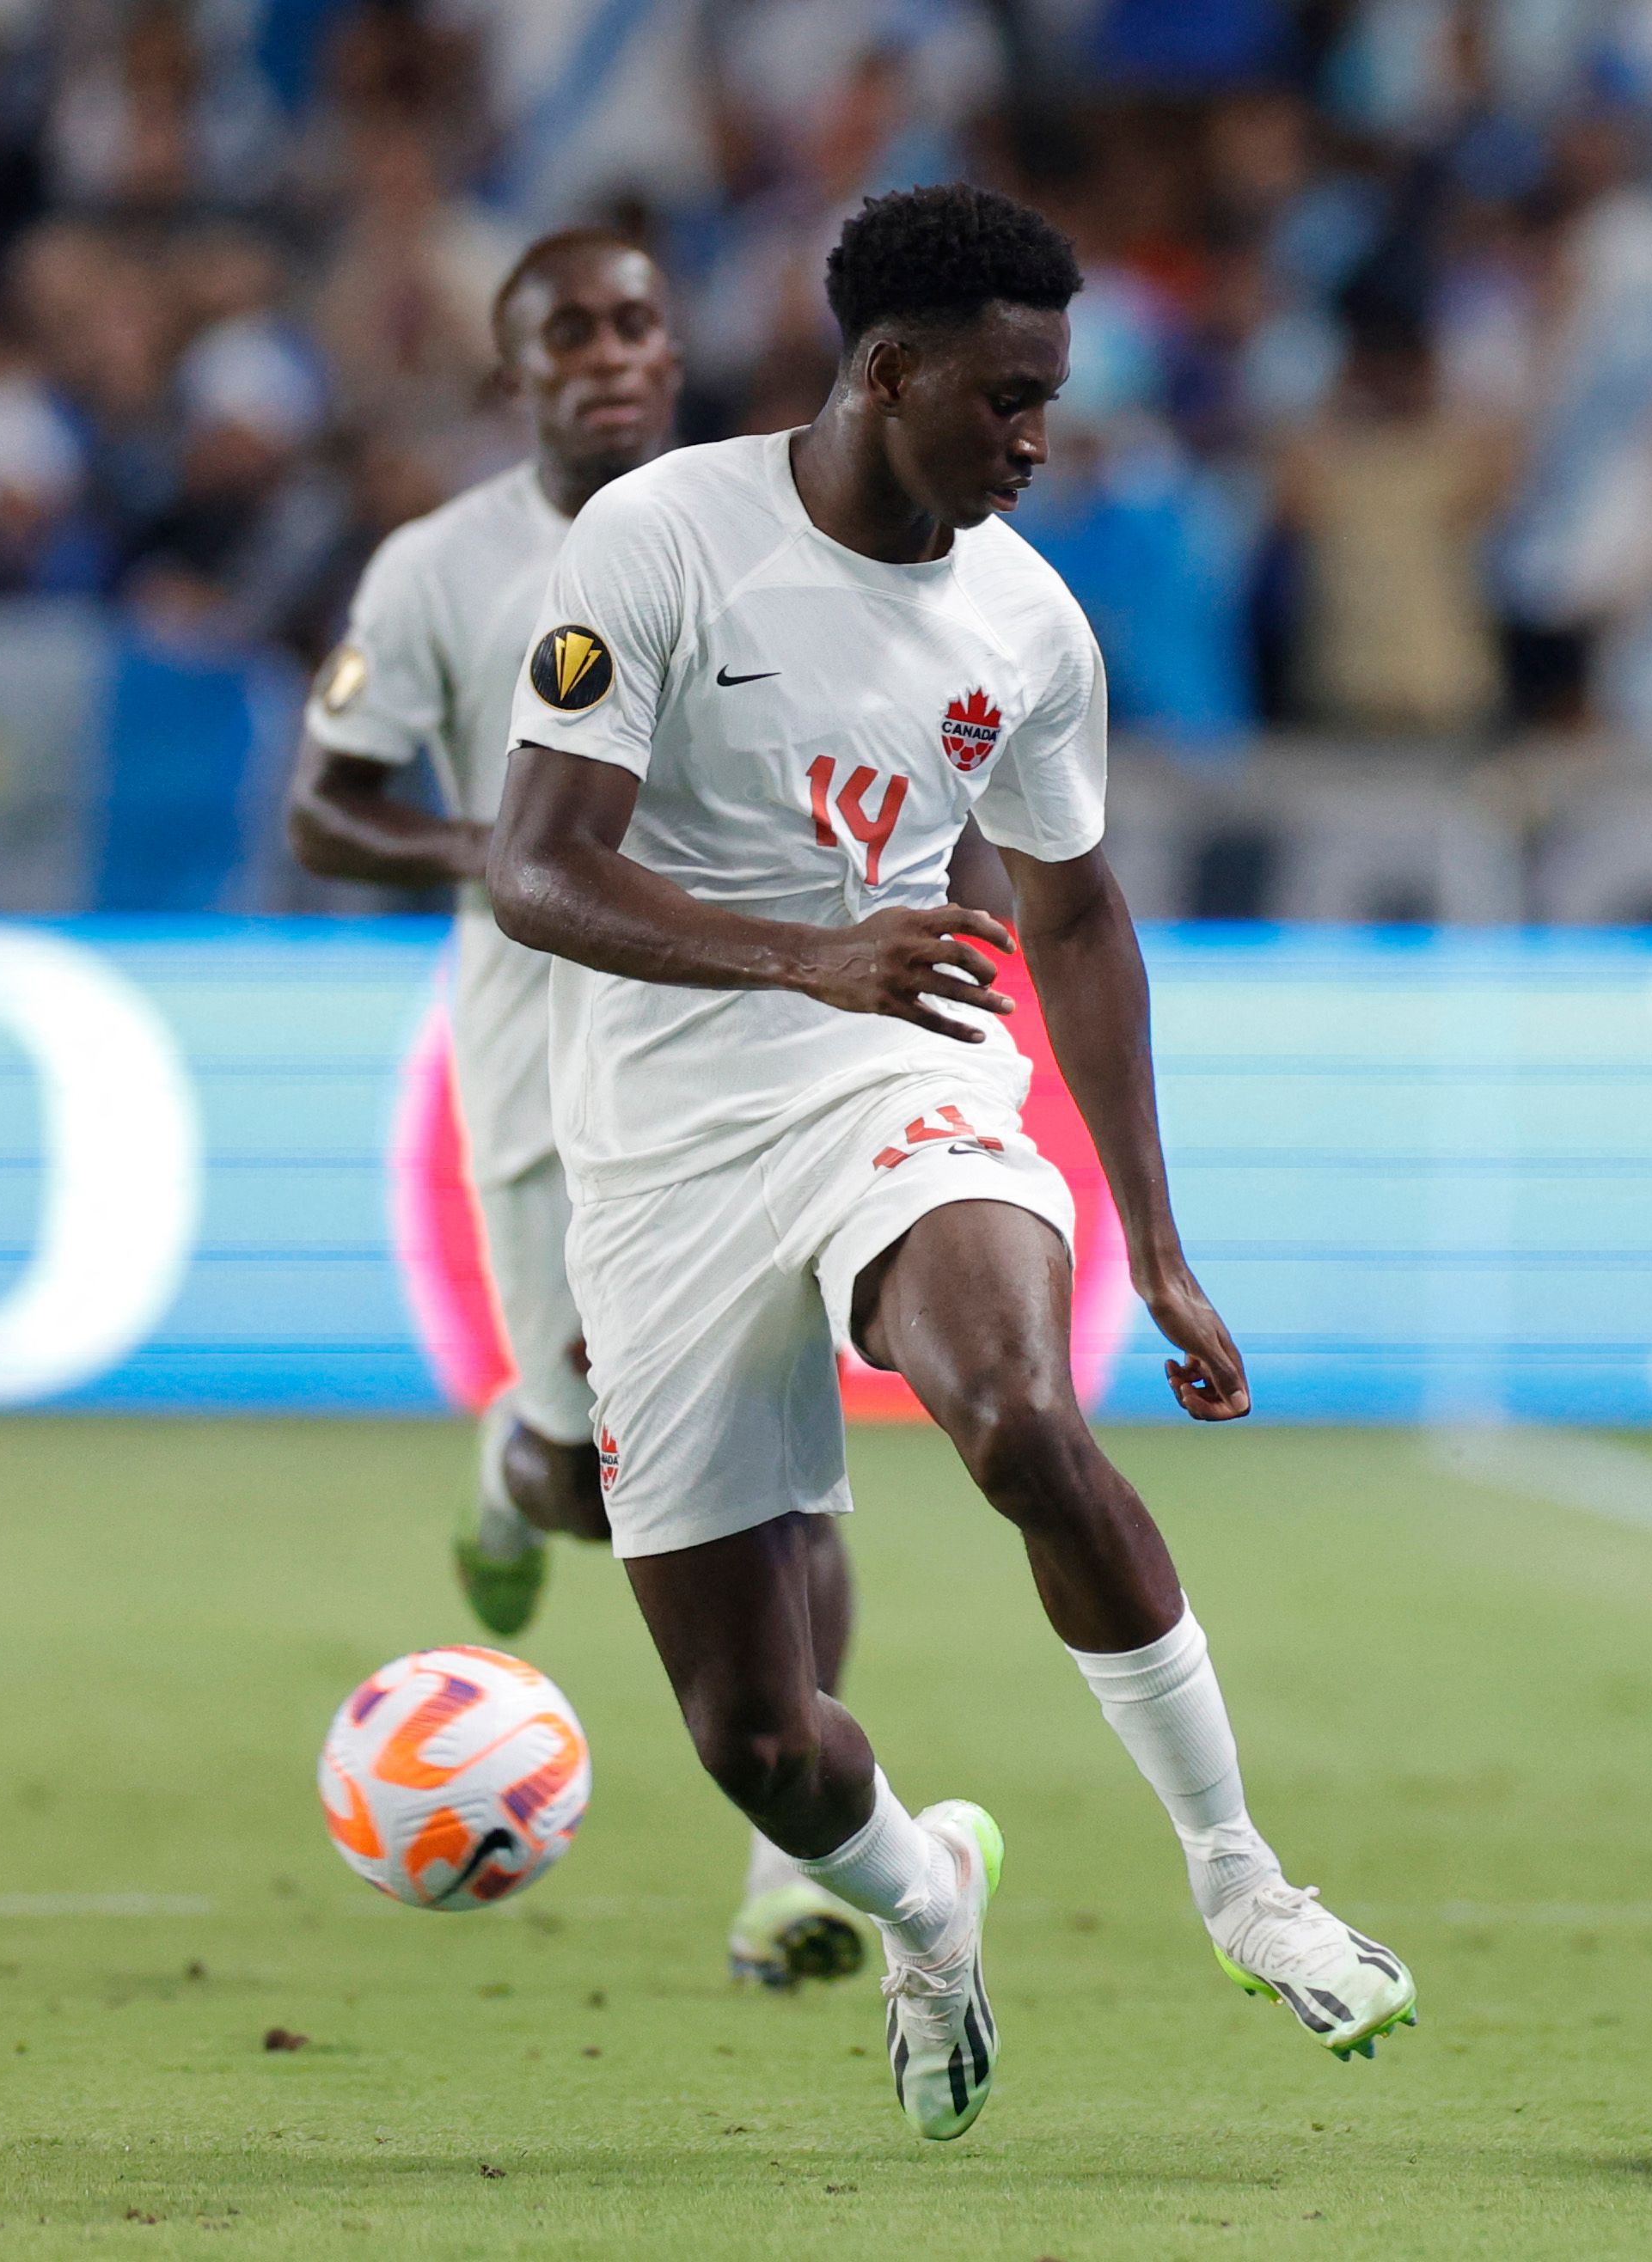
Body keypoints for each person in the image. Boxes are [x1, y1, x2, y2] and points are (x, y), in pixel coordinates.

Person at [484, 183, 1415, 2143]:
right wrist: (805, 943)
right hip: (658, 1151)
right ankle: (927, 1901)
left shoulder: (1027, 618)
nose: (1037, 439)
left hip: (895, 1076)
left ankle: (1242, 1874)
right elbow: (538, 868)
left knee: (1010, 1403)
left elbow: (1076, 921)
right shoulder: (656, 541)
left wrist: (1154, 1240)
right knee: (756, 1737)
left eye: (1051, 398)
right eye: (1006, 397)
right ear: (886, 370)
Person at [288, 232, 873, 1995]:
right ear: (514, 373)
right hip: (547, 1052)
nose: (611, 356)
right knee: (594, 1472)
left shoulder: (780, 535)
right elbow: (327, 808)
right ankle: (516, 1463)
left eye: (635, 324)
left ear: (675, 348)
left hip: (749, 1040)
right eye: (570, 335)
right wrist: (511, 849)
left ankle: (796, 1860)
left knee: (781, 1477)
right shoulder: (440, 567)